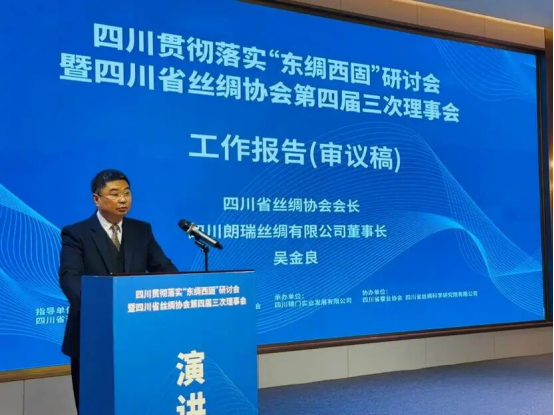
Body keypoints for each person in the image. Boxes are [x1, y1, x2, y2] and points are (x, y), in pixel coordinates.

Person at [58, 169, 178, 413]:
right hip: (91, 335)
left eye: (127, 193)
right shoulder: (76, 233)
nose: (123, 199)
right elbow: (70, 278)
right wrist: (100, 310)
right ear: (96, 199)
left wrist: (181, 291)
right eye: (114, 194)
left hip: (136, 333)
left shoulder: (141, 230)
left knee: (136, 400)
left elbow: (164, 269)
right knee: (94, 404)